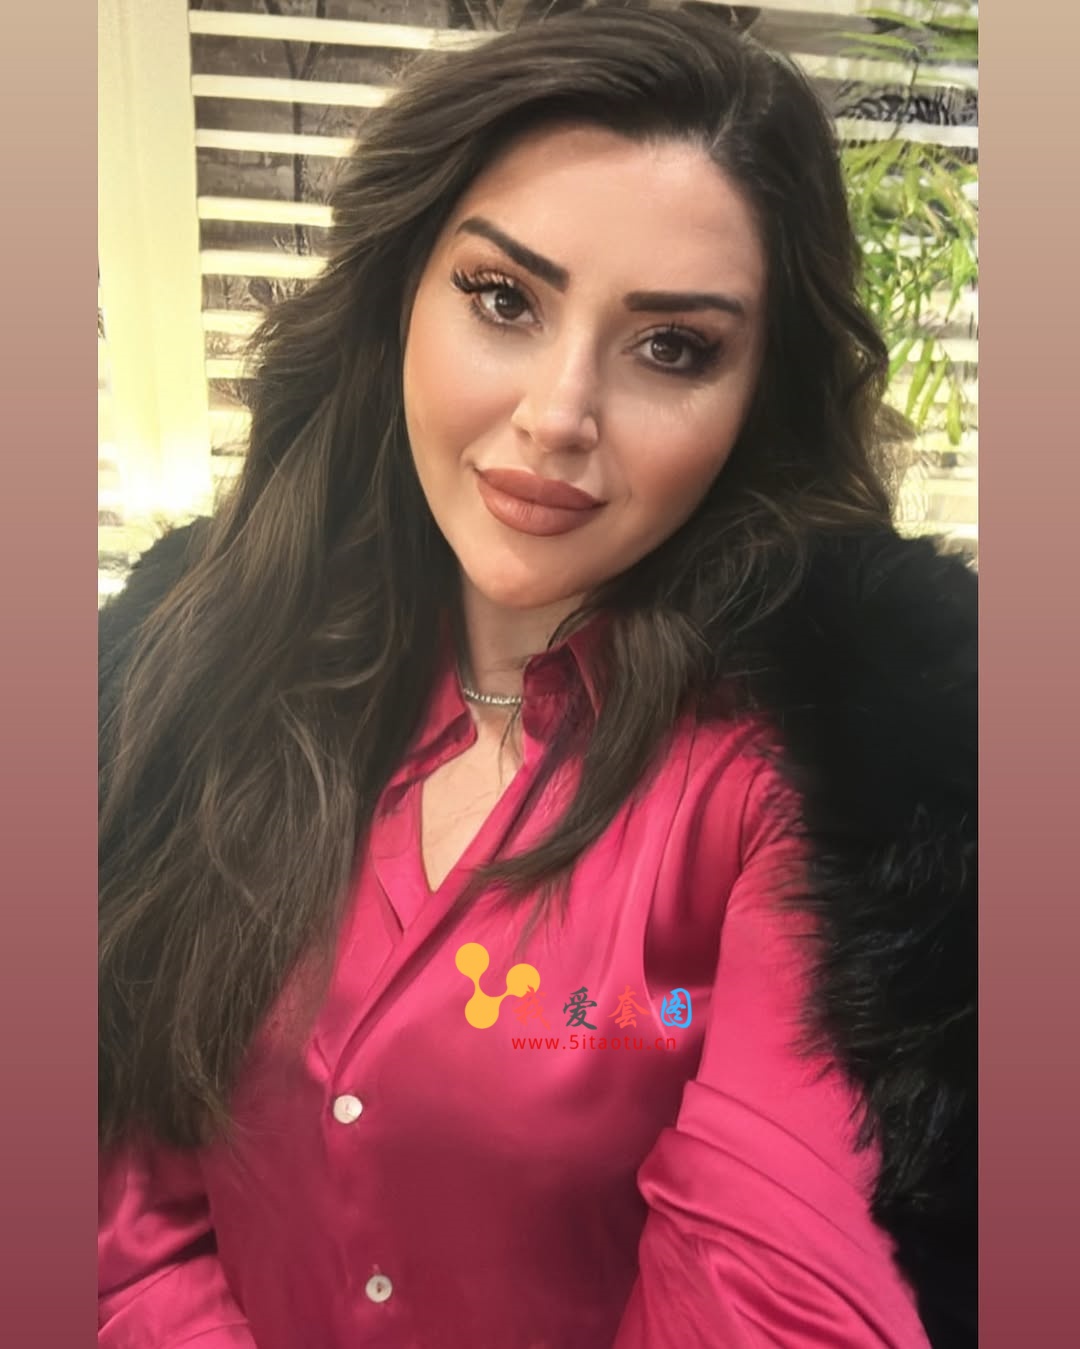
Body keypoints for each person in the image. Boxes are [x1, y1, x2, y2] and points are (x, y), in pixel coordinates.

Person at [98, 6, 976, 1348]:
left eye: (672, 346)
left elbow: (778, 1292)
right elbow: (115, 1190)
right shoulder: (205, 660)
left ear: (760, 399)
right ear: (400, 296)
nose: (558, 416)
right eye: (504, 299)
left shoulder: (812, 796)